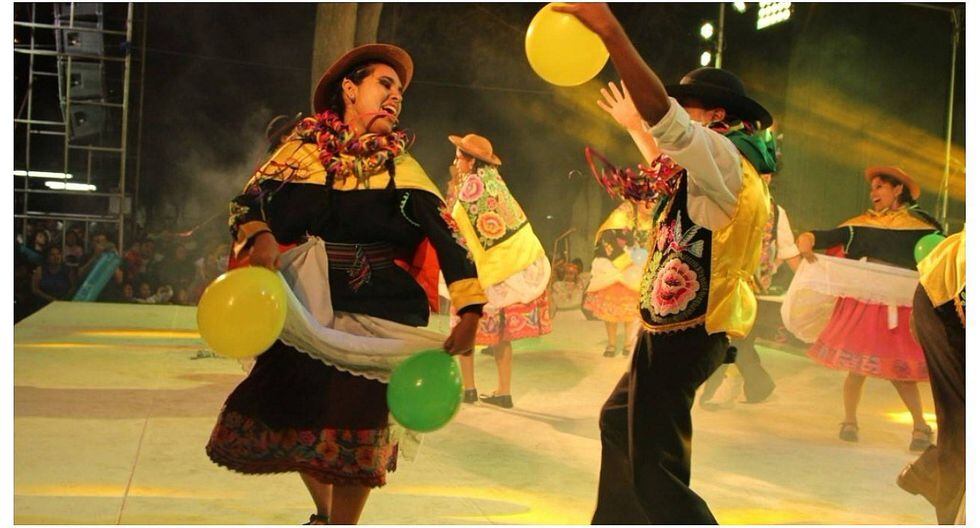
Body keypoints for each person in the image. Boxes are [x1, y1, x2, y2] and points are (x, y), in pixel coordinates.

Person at [205, 44, 485, 525]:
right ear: (350, 90)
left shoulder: (402, 168)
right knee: (288, 412)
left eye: (400, 93)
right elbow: (245, 203)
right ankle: (325, 512)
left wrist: (471, 309)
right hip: (305, 311)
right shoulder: (301, 154)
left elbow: (449, 237)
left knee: (358, 427)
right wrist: (262, 234)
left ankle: (342, 524)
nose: (395, 97)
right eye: (385, 84)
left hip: (379, 312)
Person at [556, 4, 773, 523]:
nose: (677, 114)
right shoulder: (715, 164)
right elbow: (668, 155)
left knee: (657, 472)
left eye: (686, 107)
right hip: (674, 329)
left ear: (715, 115)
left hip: (690, 331)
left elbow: (673, 132)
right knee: (617, 422)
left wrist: (611, 32)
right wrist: (636, 126)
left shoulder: (727, 158)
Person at [796, 166, 943, 451]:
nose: (873, 193)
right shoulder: (861, 225)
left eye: (879, 187)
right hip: (866, 304)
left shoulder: (923, 227)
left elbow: (942, 256)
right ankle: (849, 421)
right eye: (872, 188)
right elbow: (823, 236)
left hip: (899, 307)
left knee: (899, 373)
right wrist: (807, 240)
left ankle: (920, 426)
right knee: (857, 369)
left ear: (897, 189)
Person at [445, 133, 551, 409]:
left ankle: (469, 389)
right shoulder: (497, 185)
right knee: (501, 335)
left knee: (465, 325)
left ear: (471, 161)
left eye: (458, 158)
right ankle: (504, 391)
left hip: (484, 273)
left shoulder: (471, 188)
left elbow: (455, 227)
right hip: (507, 272)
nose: (455, 163)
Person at [700, 135, 801, 407]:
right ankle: (755, 385)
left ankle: (729, 388)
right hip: (719, 280)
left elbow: (788, 251)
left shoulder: (776, 212)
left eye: (765, 173)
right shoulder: (729, 199)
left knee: (733, 340)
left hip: (750, 288)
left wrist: (809, 282)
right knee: (726, 339)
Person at [896, 230, 965, 524]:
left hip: (949, 295)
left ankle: (930, 473)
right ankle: (949, 506)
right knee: (962, 420)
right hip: (947, 302)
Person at [582, 200, 652, 357]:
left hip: (635, 265)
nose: (651, 205)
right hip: (613, 265)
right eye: (647, 201)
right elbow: (607, 238)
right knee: (611, 309)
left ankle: (628, 343)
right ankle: (612, 344)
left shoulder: (652, 219)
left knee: (631, 309)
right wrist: (625, 261)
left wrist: (641, 260)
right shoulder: (622, 214)